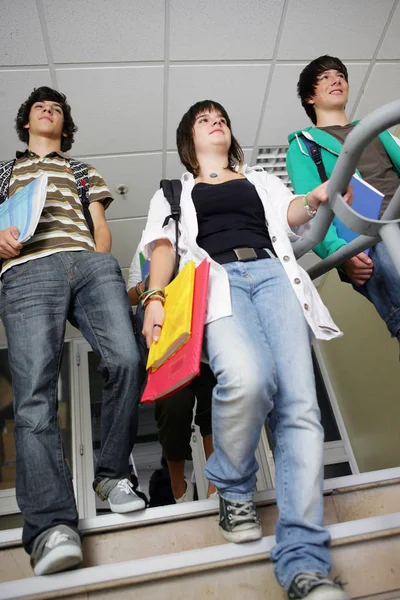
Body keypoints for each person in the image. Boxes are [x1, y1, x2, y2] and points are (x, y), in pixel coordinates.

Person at [139, 100, 352, 599]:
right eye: (203, 118)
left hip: (273, 276)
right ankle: (233, 487)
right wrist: (153, 296)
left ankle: (303, 562)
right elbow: (163, 245)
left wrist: (315, 197)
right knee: (246, 378)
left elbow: (290, 213)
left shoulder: (260, 179)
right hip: (217, 281)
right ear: (189, 139)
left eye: (221, 117)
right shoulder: (174, 190)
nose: (215, 121)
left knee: (301, 408)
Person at [0, 87, 144, 576]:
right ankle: (51, 527)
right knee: (35, 396)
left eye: (57, 108)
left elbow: (98, 222)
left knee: (126, 357)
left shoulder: (81, 170)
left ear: (65, 124)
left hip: (87, 265)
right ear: (26, 123)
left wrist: (102, 260)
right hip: (27, 272)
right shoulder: (4, 172)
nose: (48, 111)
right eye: (40, 107)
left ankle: (111, 476)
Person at [286, 55, 400, 346]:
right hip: (370, 241)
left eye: (340, 75)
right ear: (310, 97)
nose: (337, 79)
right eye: (325, 77)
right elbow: (311, 212)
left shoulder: (377, 129)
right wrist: (341, 255)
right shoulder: (303, 146)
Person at [128, 243, 217, 502]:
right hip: (164, 338)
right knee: (171, 406)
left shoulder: (194, 234)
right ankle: (179, 488)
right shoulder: (144, 251)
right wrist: (146, 287)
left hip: (201, 329)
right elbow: (130, 297)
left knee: (213, 402)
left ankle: (216, 485)